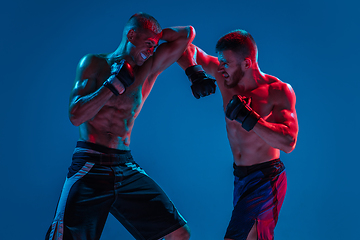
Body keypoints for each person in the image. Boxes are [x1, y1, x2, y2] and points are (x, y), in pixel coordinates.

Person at [46, 12, 194, 240]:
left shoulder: (148, 68)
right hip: (90, 166)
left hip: (125, 166)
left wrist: (154, 36)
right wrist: (111, 86)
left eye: (155, 46)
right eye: (147, 44)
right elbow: (75, 116)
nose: (151, 50)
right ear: (131, 35)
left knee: (179, 234)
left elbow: (187, 34)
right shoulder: (94, 63)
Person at [177, 29, 299, 240]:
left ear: (247, 63)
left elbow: (288, 142)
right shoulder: (224, 77)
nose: (220, 68)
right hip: (240, 178)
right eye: (220, 61)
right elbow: (181, 45)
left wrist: (250, 119)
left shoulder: (277, 90)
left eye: (227, 63)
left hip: (266, 178)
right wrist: (194, 73)